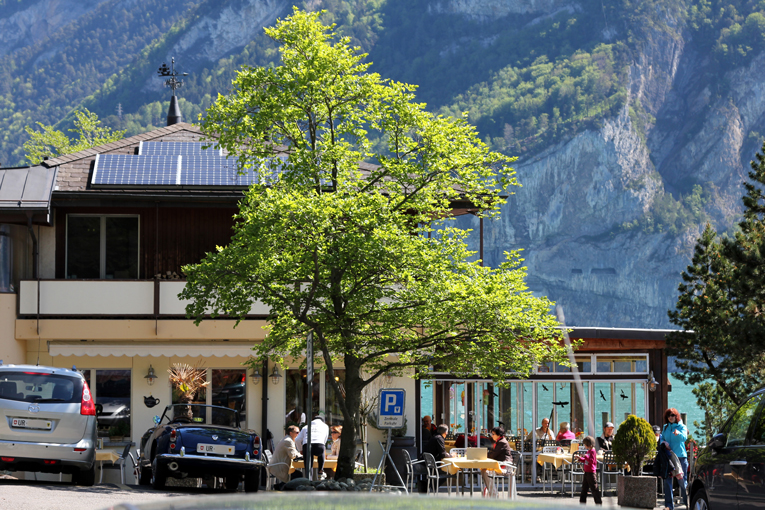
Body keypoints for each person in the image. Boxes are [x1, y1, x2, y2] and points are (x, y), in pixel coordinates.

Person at [660, 408, 688, 510]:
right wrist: (663, 442)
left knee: (682, 482)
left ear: (676, 416)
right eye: (668, 416)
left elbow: (684, 438)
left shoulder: (681, 426)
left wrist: (678, 433)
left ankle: (688, 503)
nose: (670, 417)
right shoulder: (665, 427)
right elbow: (662, 438)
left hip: (680, 457)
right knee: (667, 481)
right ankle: (669, 506)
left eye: (672, 415)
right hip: (668, 457)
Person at [295, 414, 330, 480]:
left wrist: (300, 449)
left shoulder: (306, 427)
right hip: (320, 445)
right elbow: (325, 439)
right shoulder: (325, 426)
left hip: (307, 445)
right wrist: (322, 445)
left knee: (308, 465)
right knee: (322, 451)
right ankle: (320, 471)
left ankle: (309, 479)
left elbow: (297, 439)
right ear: (322, 421)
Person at [481, 426, 513, 497]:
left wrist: (482, 455)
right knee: (484, 470)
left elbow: (493, 455)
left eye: (493, 434)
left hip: (506, 467)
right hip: (502, 464)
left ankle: (494, 493)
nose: (492, 436)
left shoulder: (502, 442)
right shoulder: (499, 441)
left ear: (499, 435)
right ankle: (493, 492)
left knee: (485, 471)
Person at [574, 435, 602, 505]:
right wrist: (580, 458)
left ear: (588, 445)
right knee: (584, 488)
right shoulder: (588, 451)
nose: (584, 446)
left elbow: (592, 461)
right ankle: (582, 502)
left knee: (594, 488)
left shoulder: (592, 451)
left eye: (585, 445)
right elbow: (586, 461)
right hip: (587, 472)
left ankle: (598, 503)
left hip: (591, 473)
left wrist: (585, 456)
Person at [271, 425, 300, 490]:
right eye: (297, 432)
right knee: (298, 475)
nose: (298, 434)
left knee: (297, 474)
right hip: (280, 466)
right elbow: (293, 455)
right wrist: (301, 456)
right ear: (291, 433)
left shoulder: (289, 439)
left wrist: (299, 455)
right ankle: (283, 488)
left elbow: (294, 452)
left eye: (299, 432)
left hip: (280, 464)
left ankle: (281, 486)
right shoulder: (288, 441)